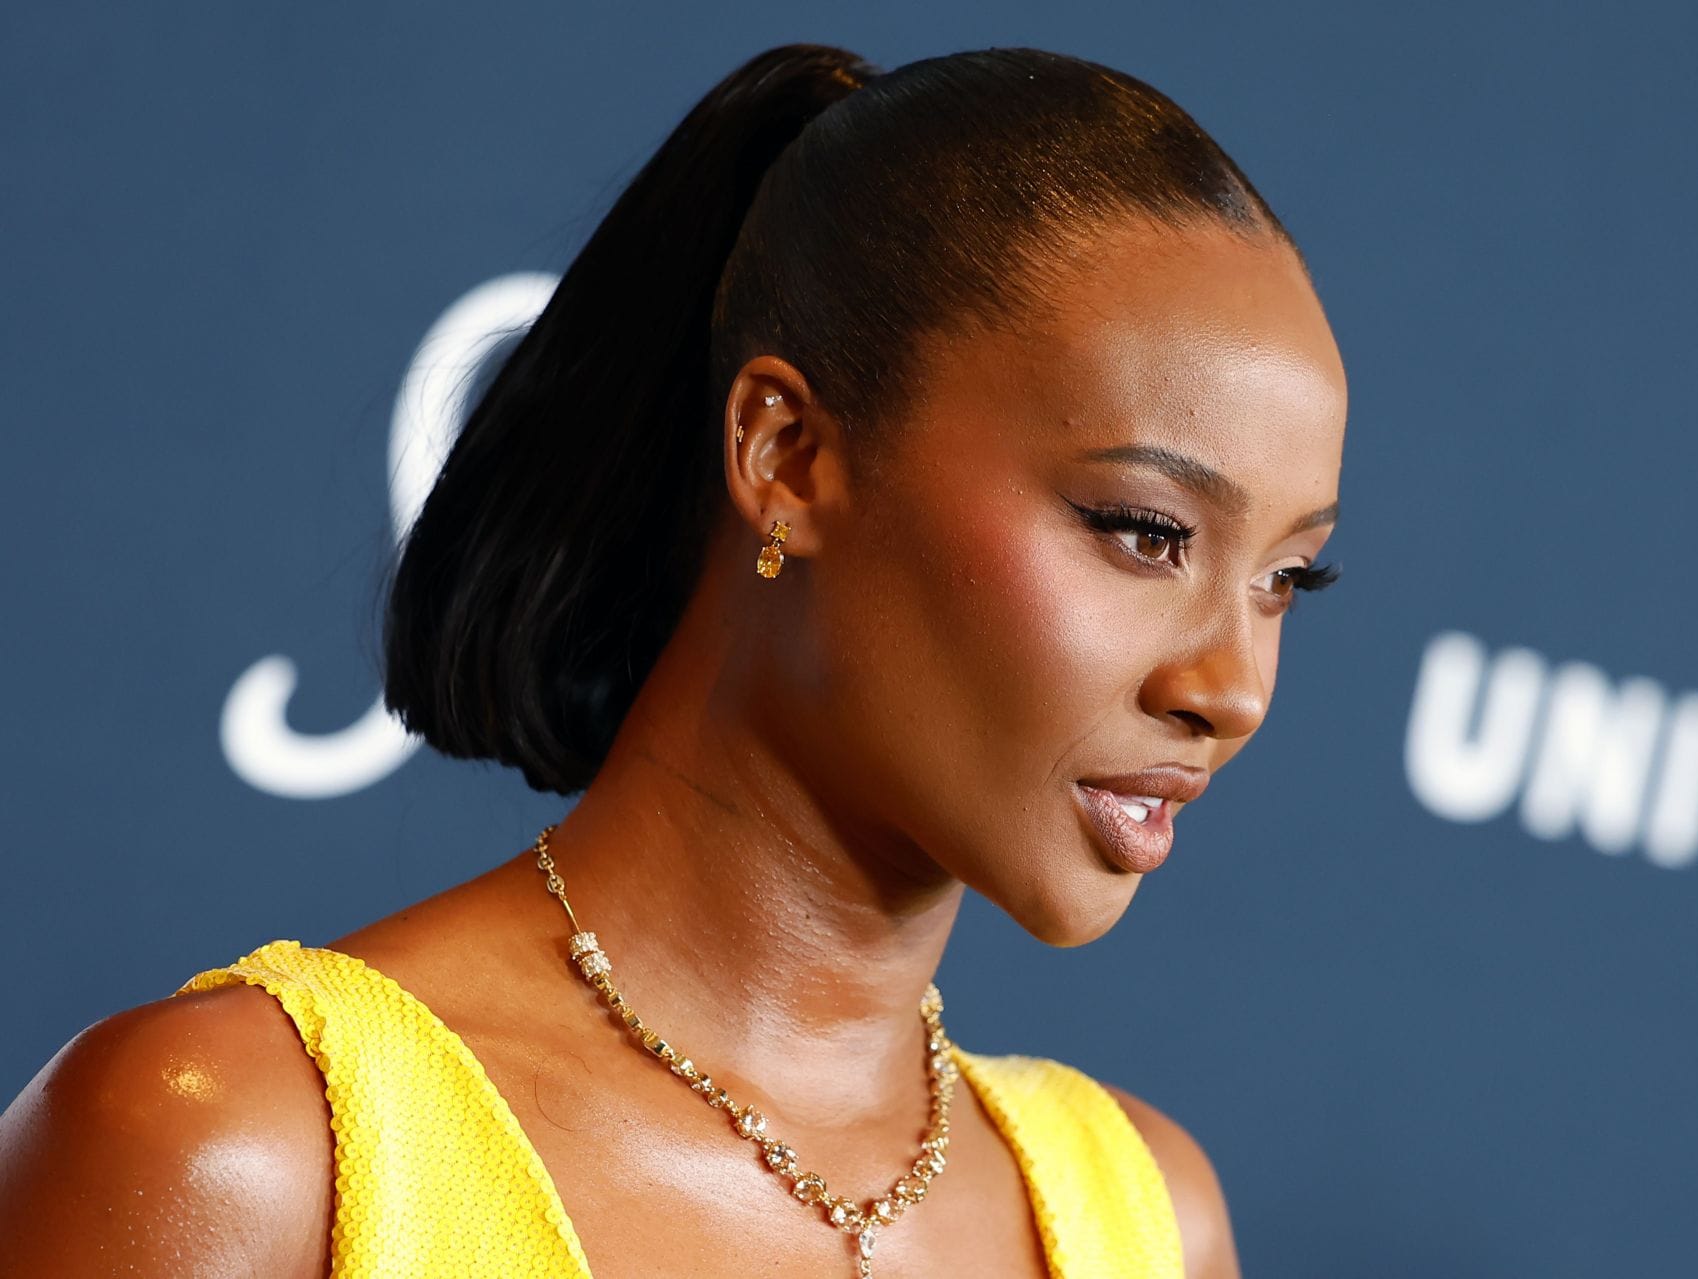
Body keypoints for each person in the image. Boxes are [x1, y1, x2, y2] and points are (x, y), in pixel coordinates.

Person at [0, 41, 1343, 1278]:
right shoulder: (249, 1155)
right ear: (789, 459)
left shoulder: (1145, 1222)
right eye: (1145, 532)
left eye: (1288, 580)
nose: (1229, 688)